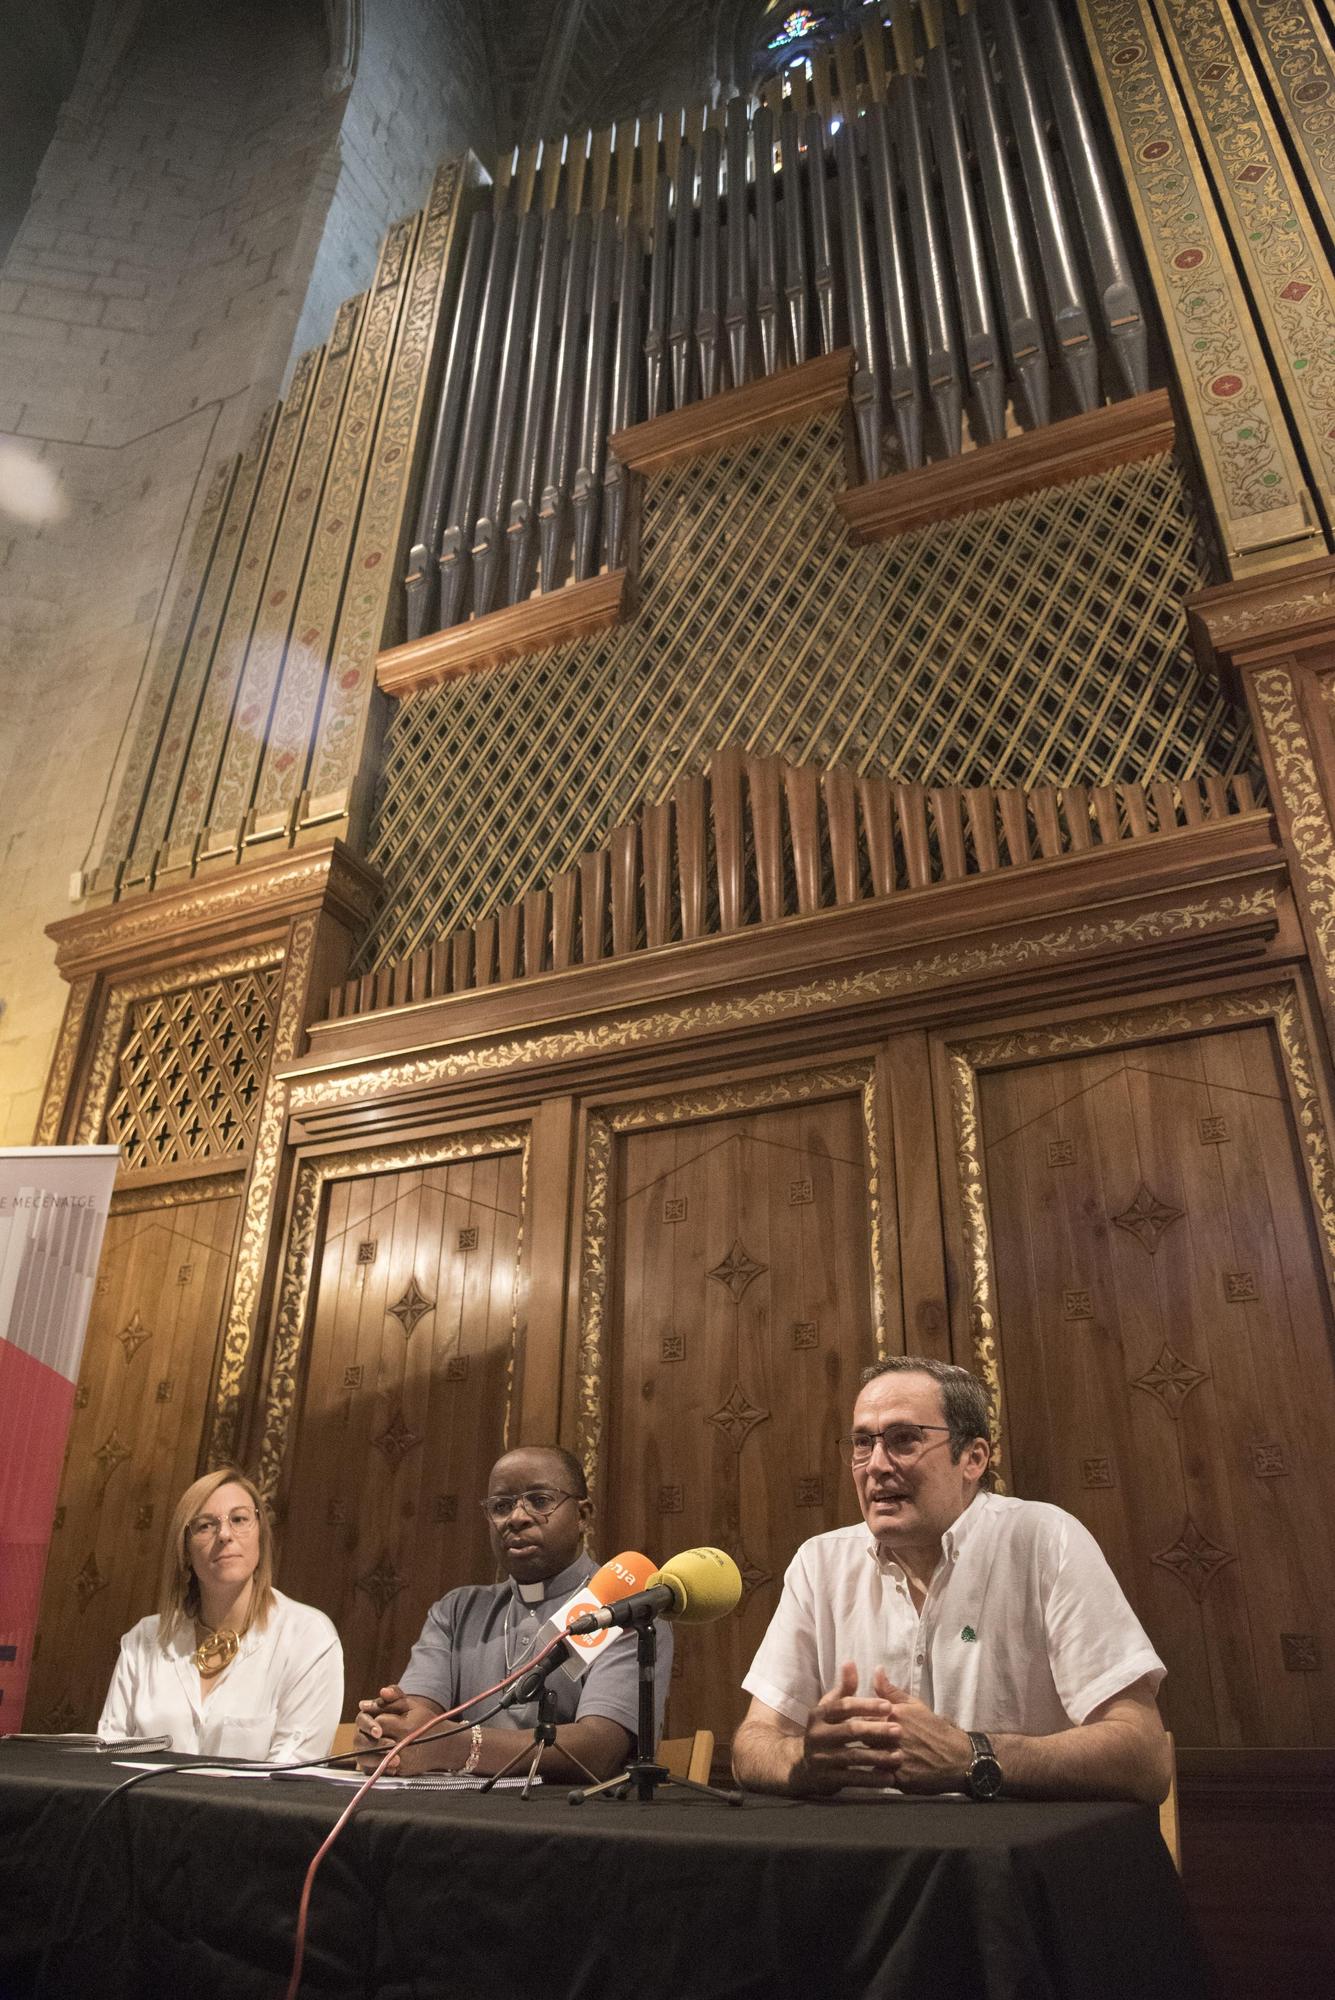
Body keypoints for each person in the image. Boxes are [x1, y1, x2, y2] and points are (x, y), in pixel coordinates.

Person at [732, 1356, 1171, 1803]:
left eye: (904, 1440)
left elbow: (1144, 1756)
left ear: (973, 1458)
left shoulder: (1045, 1540)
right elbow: (752, 1745)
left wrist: (972, 1757)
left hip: (1008, 1861)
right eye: (863, 1443)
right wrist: (806, 1764)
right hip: (864, 1862)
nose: (876, 1465)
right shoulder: (820, 1563)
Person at [356, 1444, 673, 1779]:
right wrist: (386, 1732)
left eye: (539, 1500)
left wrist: (456, 1746)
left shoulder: (624, 1608)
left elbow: (599, 1750)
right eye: (501, 1506)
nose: (516, 1518)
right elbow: (416, 1721)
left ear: (582, 1515)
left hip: (575, 1821)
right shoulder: (456, 1611)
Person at [98, 1466, 343, 1763]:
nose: (225, 1534)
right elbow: (107, 1758)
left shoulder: (308, 1636)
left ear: (260, 1536)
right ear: (185, 1550)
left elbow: (289, 1777)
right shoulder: (144, 1640)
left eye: (239, 1519)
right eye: (205, 1526)